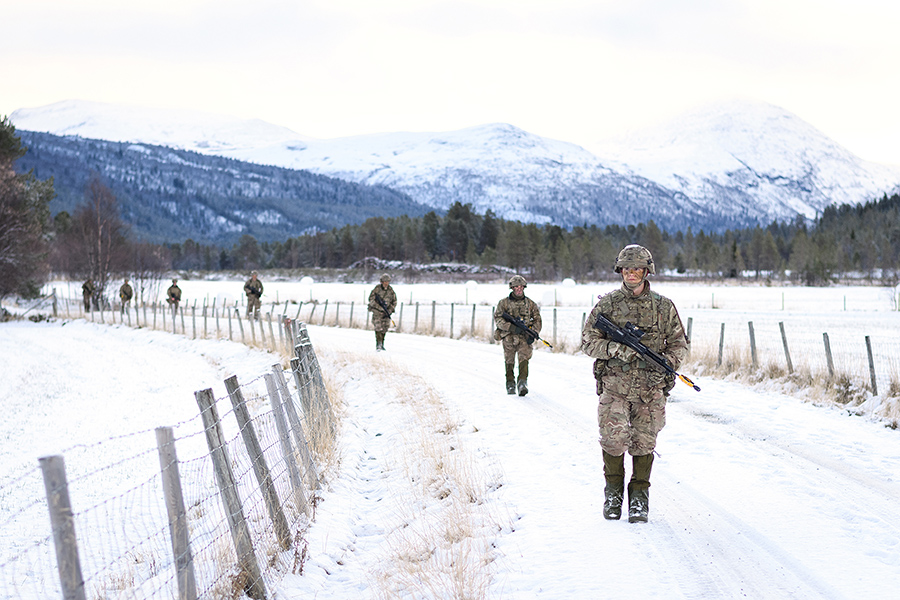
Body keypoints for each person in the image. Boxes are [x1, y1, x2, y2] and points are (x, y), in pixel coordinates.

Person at [581, 244, 689, 523]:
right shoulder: (607, 305)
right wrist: (617, 349)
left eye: (637, 269)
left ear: (646, 271)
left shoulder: (663, 307)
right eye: (627, 269)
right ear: (621, 270)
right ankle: (613, 493)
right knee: (613, 440)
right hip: (615, 385)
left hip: (650, 388)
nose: (632, 274)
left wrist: (665, 366)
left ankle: (639, 498)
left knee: (644, 443)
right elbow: (588, 342)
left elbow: (679, 345)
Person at [493, 275, 542, 396]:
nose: (519, 289)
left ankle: (522, 383)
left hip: (524, 338)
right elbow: (498, 318)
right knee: (509, 360)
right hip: (509, 337)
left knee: (524, 359)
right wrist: (511, 327)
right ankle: (510, 383)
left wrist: (533, 332)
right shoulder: (503, 303)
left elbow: (537, 320)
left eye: (521, 287)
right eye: (516, 287)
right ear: (512, 288)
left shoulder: (531, 304)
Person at [367, 273, 396, 351]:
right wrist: (379, 308)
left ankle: (382, 343)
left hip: (386, 313)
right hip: (377, 312)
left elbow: (394, 301)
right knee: (378, 327)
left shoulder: (390, 290)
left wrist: (390, 310)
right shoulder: (377, 289)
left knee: (385, 328)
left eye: (387, 281)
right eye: (385, 281)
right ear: (381, 282)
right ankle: (378, 344)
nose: (386, 283)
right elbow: (371, 300)